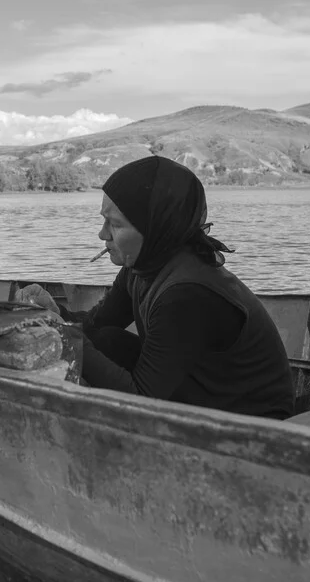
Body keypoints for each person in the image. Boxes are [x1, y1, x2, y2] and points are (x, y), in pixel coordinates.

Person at [18, 155, 295, 419]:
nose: (102, 234)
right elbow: (95, 325)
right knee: (107, 340)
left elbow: (141, 399)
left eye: (115, 224)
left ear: (155, 229)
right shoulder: (144, 265)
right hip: (201, 397)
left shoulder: (187, 294)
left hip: (252, 422)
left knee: (94, 349)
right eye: (104, 220)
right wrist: (57, 314)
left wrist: (64, 336)